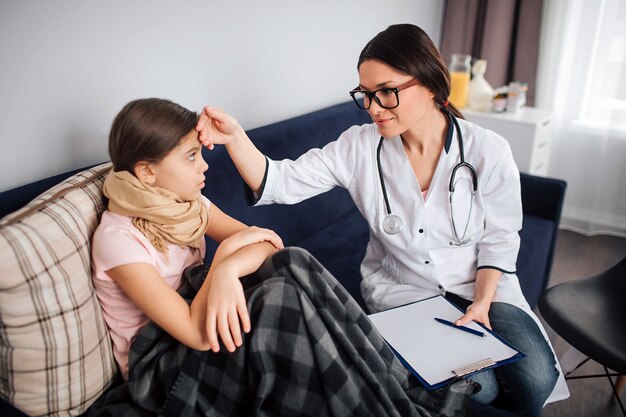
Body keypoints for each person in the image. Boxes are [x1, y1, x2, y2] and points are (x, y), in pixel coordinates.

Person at [195, 24, 569, 416]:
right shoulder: (359, 146)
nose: (373, 107)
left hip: (482, 283)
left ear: (430, 84)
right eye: (366, 95)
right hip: (406, 290)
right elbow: (279, 181)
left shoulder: (487, 149)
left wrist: (481, 302)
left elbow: (501, 237)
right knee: (480, 385)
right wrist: (235, 137)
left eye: (387, 92)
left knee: (536, 379)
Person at [88, 97, 506, 417]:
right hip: (166, 363)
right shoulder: (119, 239)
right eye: (192, 156)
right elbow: (196, 334)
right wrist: (223, 268)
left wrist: (229, 270)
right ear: (146, 172)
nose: (204, 167)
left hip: (207, 316)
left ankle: (392, 389)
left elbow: (270, 244)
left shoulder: (187, 204)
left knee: (294, 263)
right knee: (279, 302)